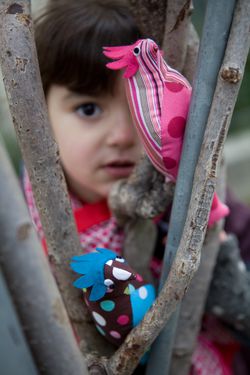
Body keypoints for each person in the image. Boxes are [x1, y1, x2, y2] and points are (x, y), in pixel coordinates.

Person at [22, 1, 250, 374]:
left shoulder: (190, 198)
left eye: (139, 107)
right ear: (38, 115)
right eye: (89, 109)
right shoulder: (25, 234)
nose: (123, 136)